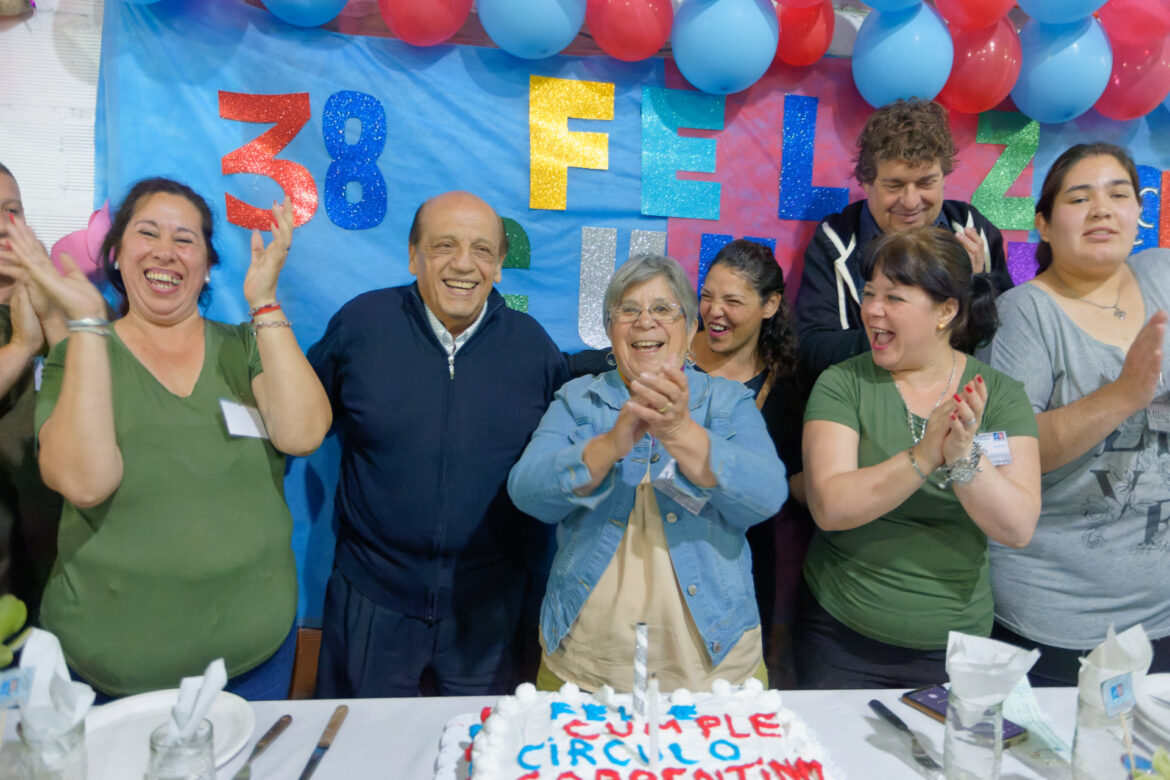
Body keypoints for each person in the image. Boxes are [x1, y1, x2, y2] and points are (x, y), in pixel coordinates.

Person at [0, 177, 331, 698]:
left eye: (185, 239)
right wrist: (86, 325)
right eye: (147, 232)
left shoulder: (245, 344)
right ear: (116, 253)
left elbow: (304, 433)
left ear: (206, 266)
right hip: (115, 675)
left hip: (255, 661)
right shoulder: (80, 354)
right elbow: (86, 483)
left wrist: (264, 303)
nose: (165, 251)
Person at [309, 190, 569, 698]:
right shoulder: (361, 326)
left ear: (498, 267)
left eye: (482, 250)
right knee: (362, 753)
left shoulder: (534, 349)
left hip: (489, 614)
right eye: (444, 245)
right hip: (373, 600)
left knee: (484, 754)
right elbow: (300, 418)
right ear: (413, 256)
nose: (463, 264)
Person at [508, 254, 787, 693]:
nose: (645, 322)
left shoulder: (727, 402)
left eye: (662, 309)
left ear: (691, 323)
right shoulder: (577, 400)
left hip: (715, 665)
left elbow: (766, 496)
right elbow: (527, 493)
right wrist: (610, 445)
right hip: (586, 663)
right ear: (610, 327)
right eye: (628, 310)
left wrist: (681, 432)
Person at [796, 227, 1039, 689]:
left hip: (956, 650)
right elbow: (829, 506)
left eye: (894, 297)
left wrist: (963, 455)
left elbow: (1017, 526)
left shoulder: (1000, 396)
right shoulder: (841, 383)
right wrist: (925, 454)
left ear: (946, 311)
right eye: (869, 294)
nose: (872, 310)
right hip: (840, 637)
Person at [982, 143, 1170, 685]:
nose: (1102, 209)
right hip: (1056, 616)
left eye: (1119, 194)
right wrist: (1121, 396)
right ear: (1043, 223)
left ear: (1139, 211)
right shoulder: (1024, 313)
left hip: (1159, 612)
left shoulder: (1161, 273)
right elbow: (1002, 452)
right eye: (1079, 198)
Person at [795, 98, 1013, 380]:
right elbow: (812, 349)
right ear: (866, 182)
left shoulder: (974, 230)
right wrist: (907, 338)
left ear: (944, 178)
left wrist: (979, 287)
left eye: (925, 183)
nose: (911, 202)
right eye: (895, 185)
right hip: (866, 404)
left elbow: (1006, 341)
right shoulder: (835, 242)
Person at [688, 238, 811, 686]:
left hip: (744, 557)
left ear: (770, 305)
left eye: (732, 301)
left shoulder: (786, 383)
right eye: (707, 295)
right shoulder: (669, 355)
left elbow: (791, 480)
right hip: (665, 542)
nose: (714, 311)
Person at [0, 162, 65, 619]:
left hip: (56, 558)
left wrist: (49, 303)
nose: (5, 227)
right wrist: (23, 344)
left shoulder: (60, 296)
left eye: (13, 210)